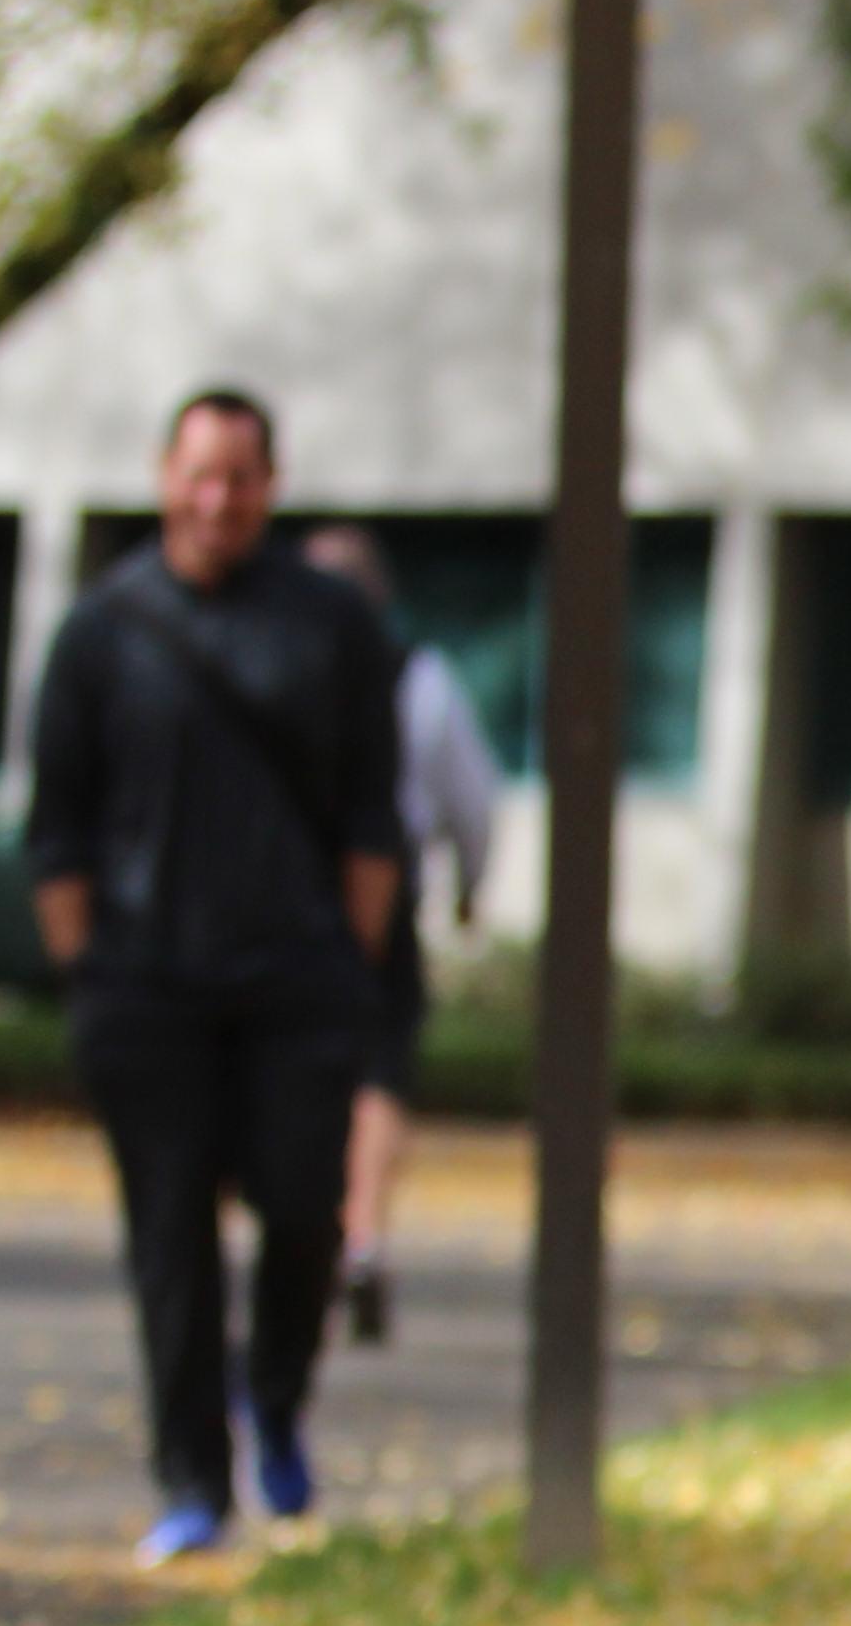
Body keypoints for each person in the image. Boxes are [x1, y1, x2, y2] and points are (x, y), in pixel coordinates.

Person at [25, 391, 404, 1565]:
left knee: (304, 1211)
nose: (217, 499)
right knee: (171, 1242)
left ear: (271, 485)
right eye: (199, 474)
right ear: (163, 476)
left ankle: (276, 1398)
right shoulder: (104, 630)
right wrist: (88, 970)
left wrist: (350, 959)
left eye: (240, 477)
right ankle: (192, 1485)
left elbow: (372, 817)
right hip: (147, 988)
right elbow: (58, 827)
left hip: (295, 980)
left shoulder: (330, 625)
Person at [301, 524, 503, 1347]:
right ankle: (362, 1232)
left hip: (297, 904)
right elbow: (474, 801)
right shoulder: (420, 678)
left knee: (313, 1073)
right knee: (380, 1072)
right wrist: (468, 890)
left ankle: (321, 1231)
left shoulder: (278, 670)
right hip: (379, 897)